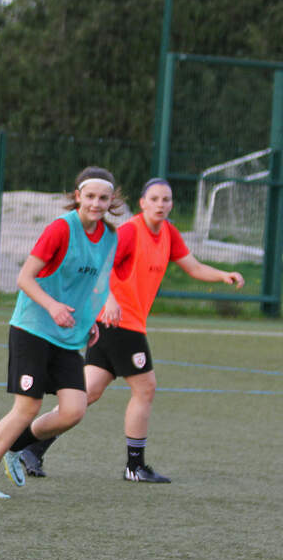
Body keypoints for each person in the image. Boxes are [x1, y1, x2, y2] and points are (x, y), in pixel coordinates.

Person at [17, 178, 245, 483]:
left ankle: (29, 446)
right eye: (154, 199)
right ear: (142, 202)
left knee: (87, 394)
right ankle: (134, 466)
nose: (161, 205)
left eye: (166, 199)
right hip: (118, 323)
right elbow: (101, 267)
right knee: (145, 388)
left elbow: (192, 267)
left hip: (123, 323)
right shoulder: (129, 232)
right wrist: (108, 299)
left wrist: (222, 275)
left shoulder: (168, 233)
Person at [0, 167, 125, 500]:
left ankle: (15, 448)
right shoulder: (61, 229)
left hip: (68, 336)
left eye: (103, 198)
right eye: (89, 196)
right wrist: (52, 307)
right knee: (28, 407)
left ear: (111, 201)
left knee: (73, 411)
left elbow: (93, 286)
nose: (96, 203)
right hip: (33, 328)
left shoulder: (110, 237)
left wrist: (91, 321)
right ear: (77, 196)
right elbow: (24, 278)